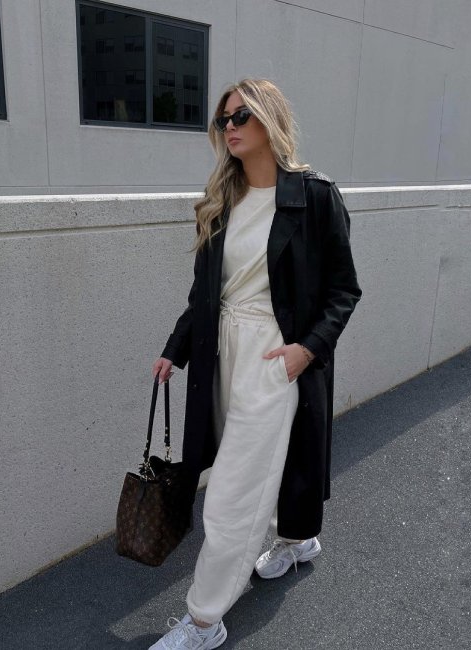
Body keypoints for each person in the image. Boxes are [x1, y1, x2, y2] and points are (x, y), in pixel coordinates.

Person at [149, 78, 362, 650]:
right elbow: (205, 293)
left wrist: (306, 349)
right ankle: (297, 539)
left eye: (241, 116)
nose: (231, 128)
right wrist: (176, 347)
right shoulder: (224, 199)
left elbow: (345, 290)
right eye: (224, 121)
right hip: (223, 351)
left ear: (270, 119)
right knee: (260, 466)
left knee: (232, 495)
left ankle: (203, 620)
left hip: (276, 354)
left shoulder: (315, 196)